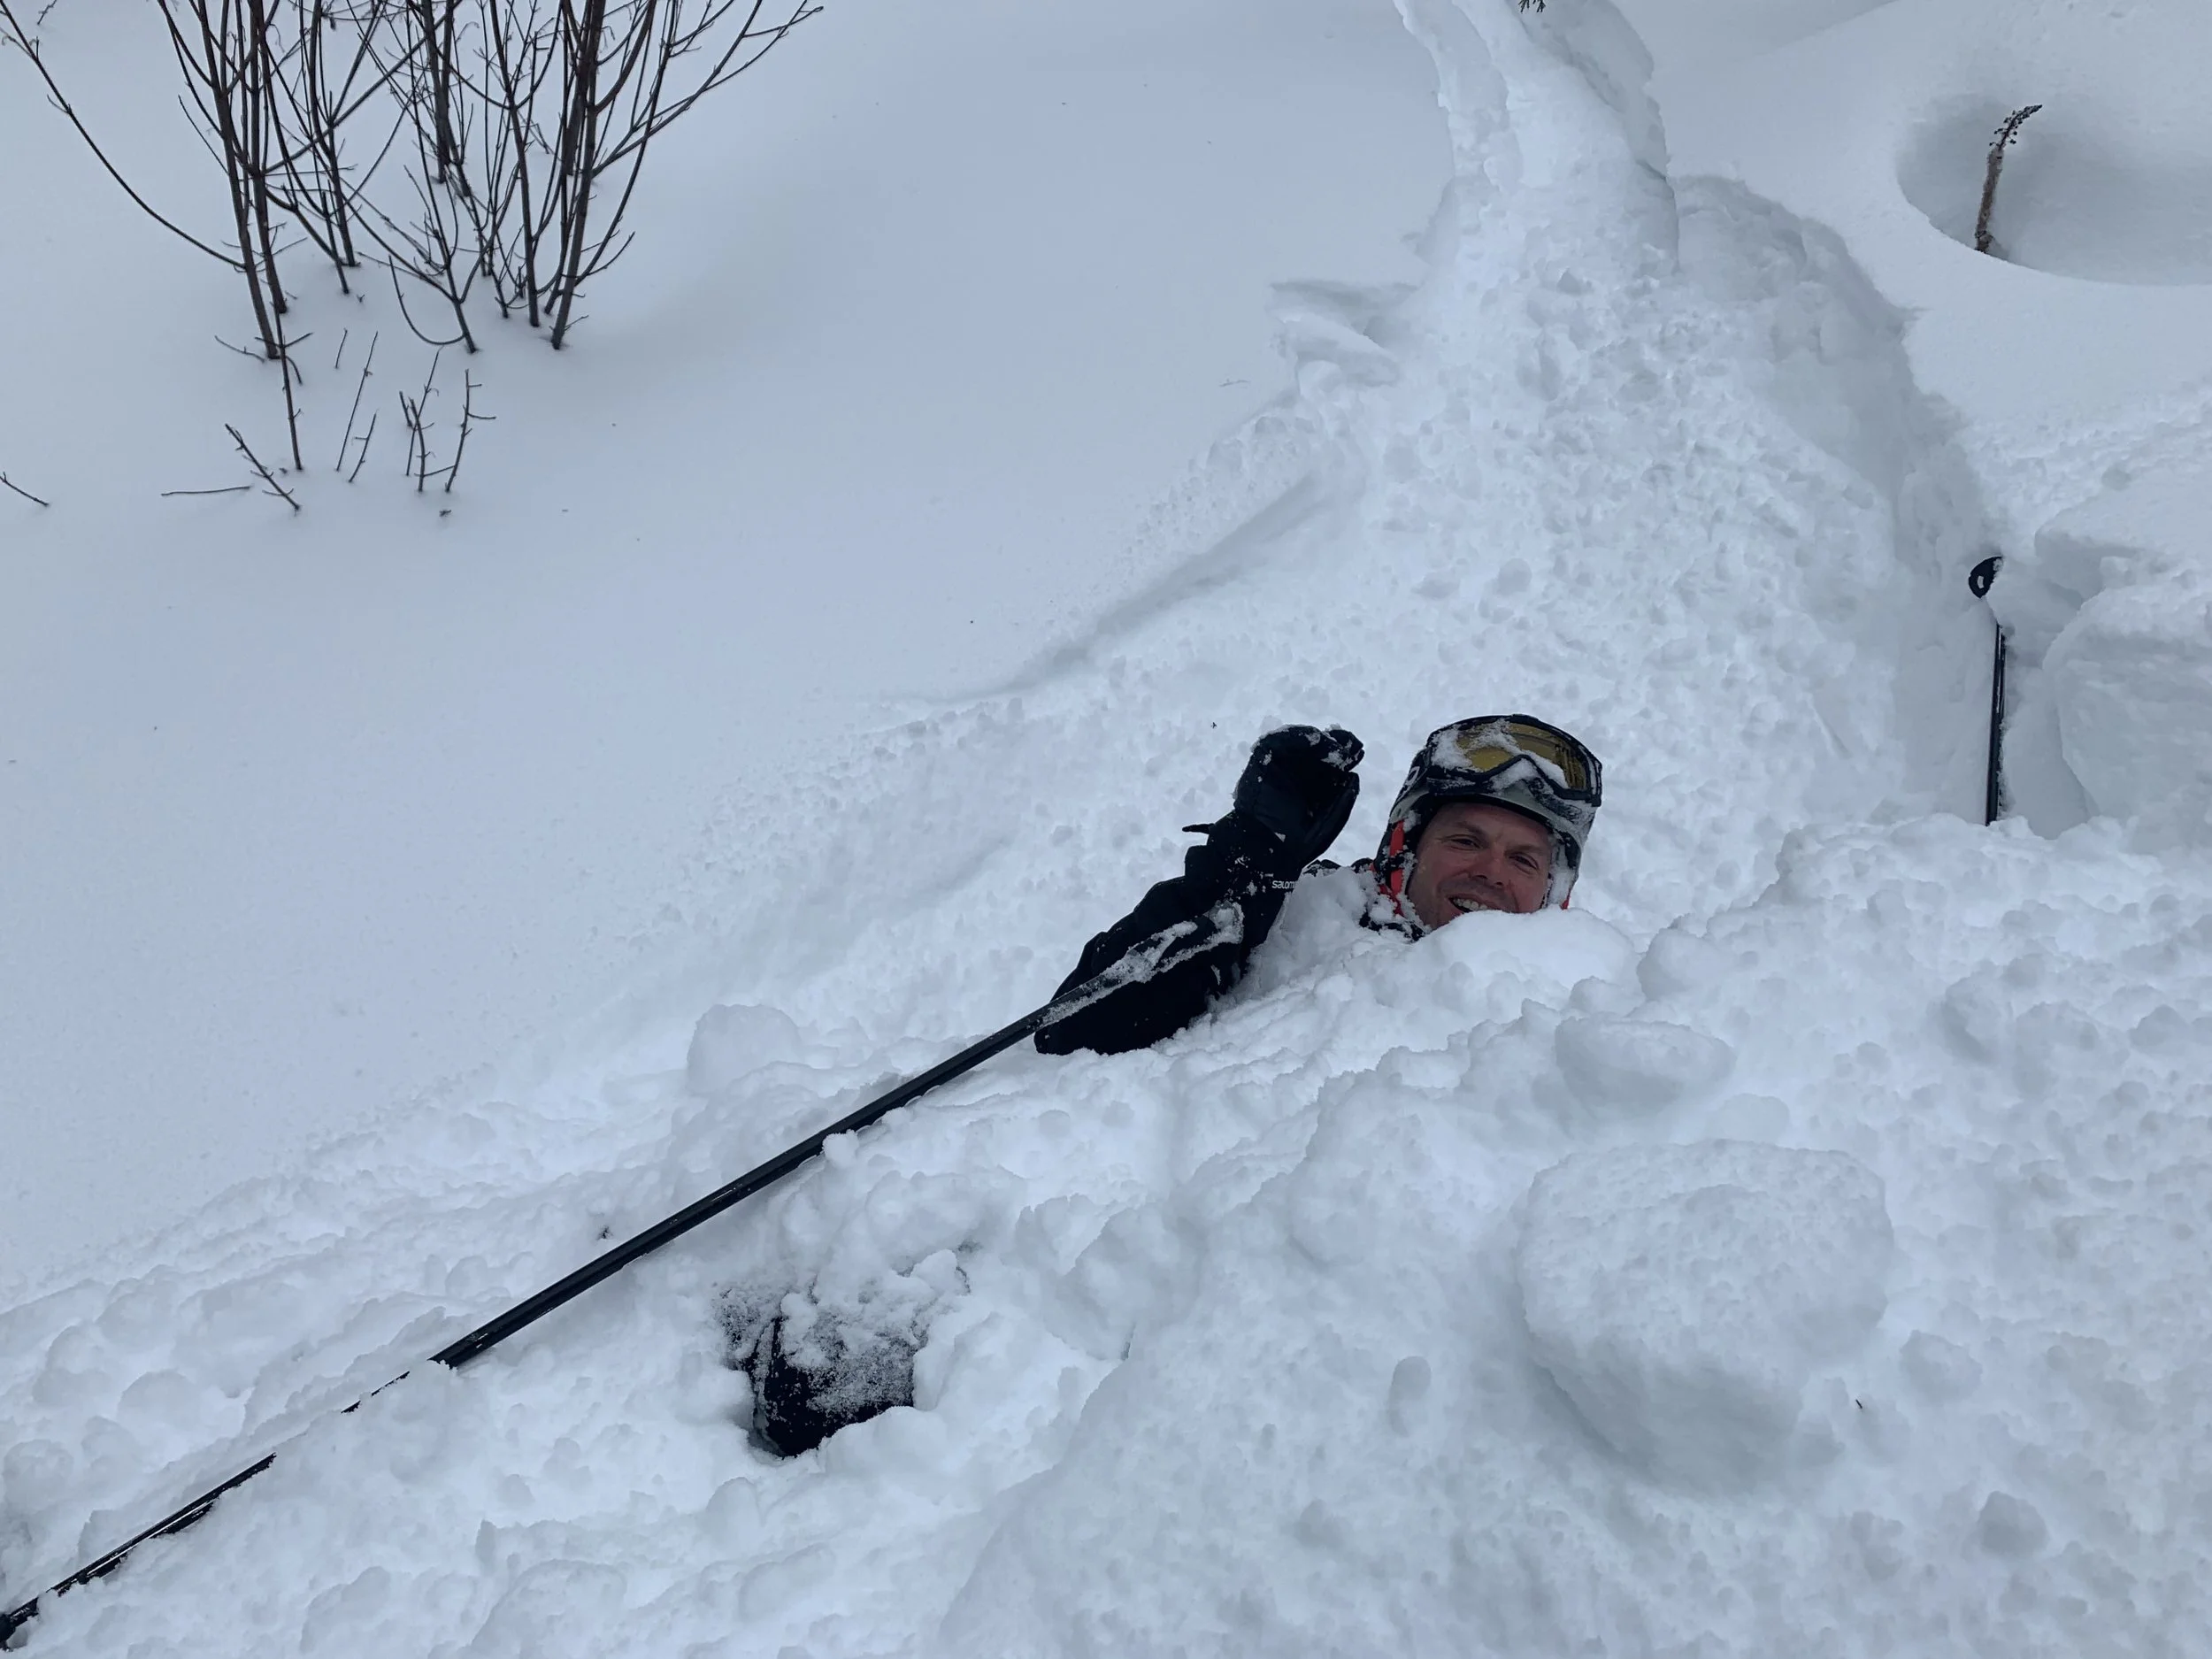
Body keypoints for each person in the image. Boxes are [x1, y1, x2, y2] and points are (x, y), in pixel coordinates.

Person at [1036, 715, 1602, 1057]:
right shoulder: (1298, 918)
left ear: (1554, 892)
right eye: (1466, 841)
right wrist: (1246, 865)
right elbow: (1075, 1032)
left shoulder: (1591, 1010)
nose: (1490, 871)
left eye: (1523, 860)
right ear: (1406, 849)